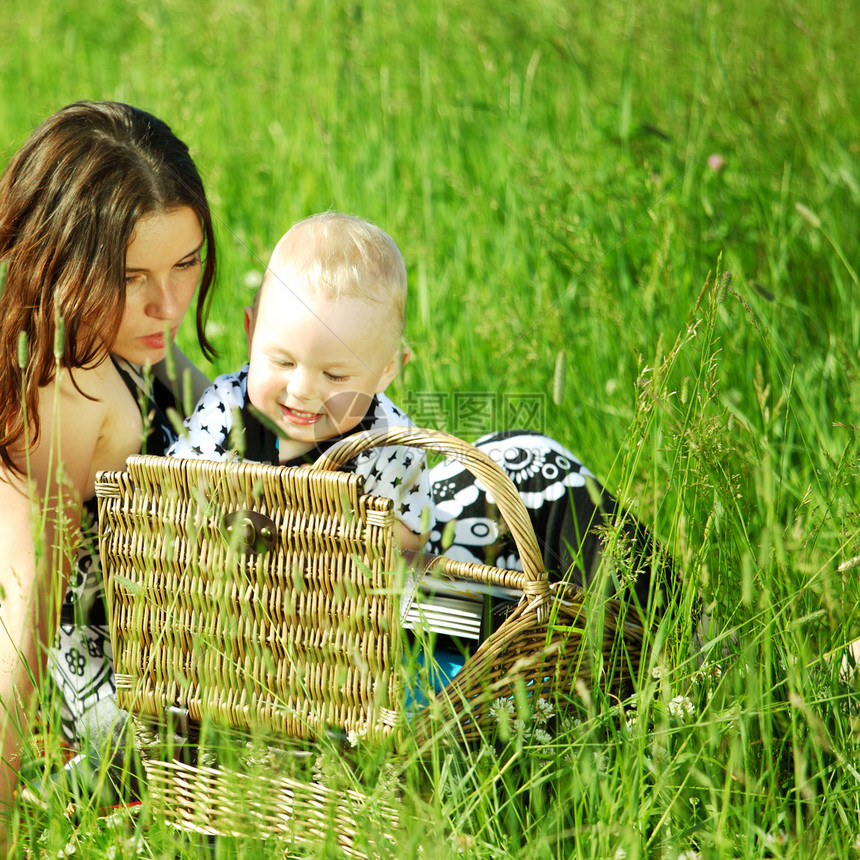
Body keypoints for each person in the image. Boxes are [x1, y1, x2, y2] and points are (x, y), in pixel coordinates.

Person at [0, 101, 217, 842]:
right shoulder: (65, 393)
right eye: (131, 277)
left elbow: (225, 418)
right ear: (59, 263)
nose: (168, 303)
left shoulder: (124, 336)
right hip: (142, 714)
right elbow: (27, 610)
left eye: (186, 264)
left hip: (207, 630)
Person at [169, 211, 432, 551]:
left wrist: (341, 529)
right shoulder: (226, 405)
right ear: (251, 333)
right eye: (282, 361)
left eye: (334, 375)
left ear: (387, 369)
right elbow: (171, 492)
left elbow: (415, 537)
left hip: (337, 595)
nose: (301, 390)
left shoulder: (388, 440)